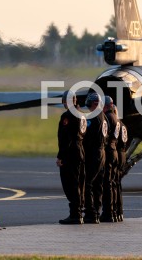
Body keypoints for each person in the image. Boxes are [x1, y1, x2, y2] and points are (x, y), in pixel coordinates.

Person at [56, 90, 87, 225]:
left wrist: (60, 156)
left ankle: (75, 215)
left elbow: (65, 138)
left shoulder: (67, 116)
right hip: (81, 151)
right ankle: (79, 211)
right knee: (80, 183)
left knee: (71, 184)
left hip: (71, 153)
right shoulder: (82, 115)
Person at [82, 92, 108, 224]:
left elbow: (86, 136)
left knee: (87, 183)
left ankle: (91, 213)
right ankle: (97, 211)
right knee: (98, 184)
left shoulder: (92, 117)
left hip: (93, 153)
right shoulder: (104, 117)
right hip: (102, 152)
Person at [99, 95, 119, 222]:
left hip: (108, 151)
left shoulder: (107, 118)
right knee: (113, 183)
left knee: (107, 183)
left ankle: (108, 213)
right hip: (115, 151)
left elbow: (103, 136)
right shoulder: (116, 118)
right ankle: (114, 212)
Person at [113, 104, 128, 222]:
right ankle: (119, 212)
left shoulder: (114, 124)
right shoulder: (122, 125)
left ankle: (112, 212)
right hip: (123, 154)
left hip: (116, 153)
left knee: (111, 184)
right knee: (117, 184)